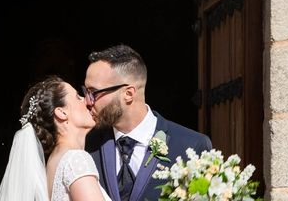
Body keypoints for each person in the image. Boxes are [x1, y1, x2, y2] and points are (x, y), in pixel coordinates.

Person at [84, 44, 212, 201]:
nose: (87, 101)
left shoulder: (192, 145)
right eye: (86, 92)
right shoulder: (87, 145)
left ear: (128, 94)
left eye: (94, 93)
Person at [0, 75, 111, 201]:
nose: (87, 101)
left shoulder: (52, 163)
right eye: (78, 97)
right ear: (62, 113)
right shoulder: (75, 159)